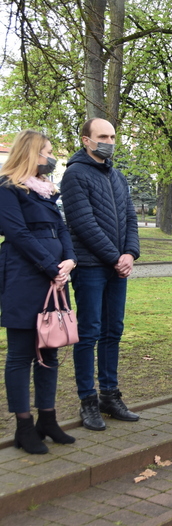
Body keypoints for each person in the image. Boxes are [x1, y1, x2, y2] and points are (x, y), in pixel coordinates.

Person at [0, 130, 77, 454]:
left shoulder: (46, 191)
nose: (50, 158)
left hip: (55, 278)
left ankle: (48, 419)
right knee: (21, 355)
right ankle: (24, 426)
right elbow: (16, 232)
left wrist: (69, 260)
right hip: (24, 277)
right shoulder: (7, 188)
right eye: (46, 151)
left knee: (51, 349)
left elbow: (60, 229)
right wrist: (51, 266)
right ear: (31, 153)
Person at [61, 118, 140, 431]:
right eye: (102, 136)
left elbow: (131, 218)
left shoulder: (117, 175)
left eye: (112, 136)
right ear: (86, 140)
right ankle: (87, 400)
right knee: (89, 331)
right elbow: (82, 223)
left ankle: (110, 394)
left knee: (113, 331)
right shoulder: (74, 174)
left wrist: (130, 254)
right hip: (91, 266)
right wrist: (114, 257)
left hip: (116, 268)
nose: (109, 141)